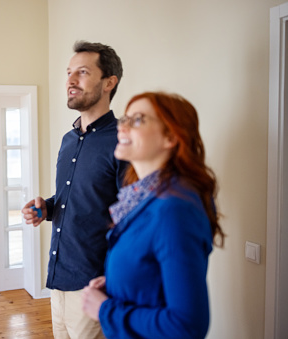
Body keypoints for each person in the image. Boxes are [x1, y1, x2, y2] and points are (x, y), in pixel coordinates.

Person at [81, 92, 225, 339]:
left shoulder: (175, 209)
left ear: (170, 136)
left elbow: (187, 326)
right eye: (124, 118)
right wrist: (118, 283)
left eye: (137, 120)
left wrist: (105, 309)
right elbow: (152, 268)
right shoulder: (142, 196)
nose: (122, 126)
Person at [22, 41, 128, 339]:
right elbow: (81, 200)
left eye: (82, 72)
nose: (70, 80)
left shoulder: (124, 140)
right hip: (59, 275)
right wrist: (48, 208)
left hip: (94, 285)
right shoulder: (69, 139)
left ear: (109, 82)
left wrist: (111, 280)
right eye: (69, 72)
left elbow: (131, 218)